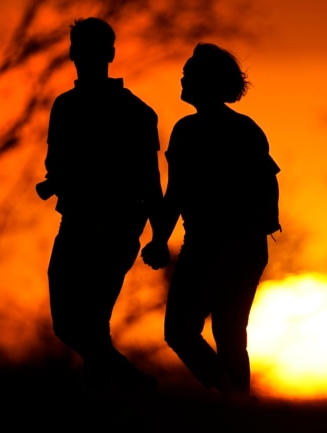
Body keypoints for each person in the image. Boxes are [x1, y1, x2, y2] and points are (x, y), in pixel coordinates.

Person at [141, 43, 281, 401]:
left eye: (190, 74)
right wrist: (160, 238)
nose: (183, 78)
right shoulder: (235, 129)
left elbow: (176, 194)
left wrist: (160, 239)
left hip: (219, 244)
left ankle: (232, 397)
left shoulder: (196, 131)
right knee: (222, 332)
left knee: (200, 331)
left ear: (208, 82)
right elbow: (180, 193)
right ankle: (234, 396)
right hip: (227, 244)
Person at [37, 17, 161, 393]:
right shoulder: (66, 107)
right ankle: (125, 390)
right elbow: (55, 164)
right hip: (75, 224)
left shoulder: (137, 112)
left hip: (116, 228)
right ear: (74, 53)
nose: (87, 55)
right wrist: (59, 181)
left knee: (88, 324)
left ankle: (127, 389)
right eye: (82, 47)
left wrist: (158, 236)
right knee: (73, 326)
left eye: (95, 47)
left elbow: (149, 181)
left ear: (109, 53)